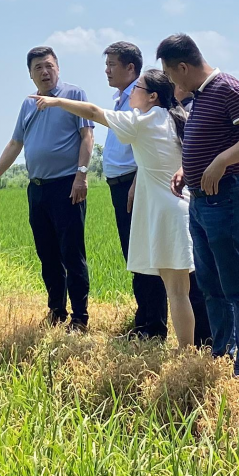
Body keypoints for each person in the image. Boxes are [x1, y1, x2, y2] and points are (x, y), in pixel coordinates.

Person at [33, 70, 196, 347]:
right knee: (181, 290)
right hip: (180, 210)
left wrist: (57, 103)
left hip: (166, 215)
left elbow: (95, 112)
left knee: (177, 292)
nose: (132, 92)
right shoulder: (173, 119)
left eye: (138, 88)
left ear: (152, 96)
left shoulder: (143, 121)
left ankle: (186, 354)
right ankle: (189, 352)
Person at [158, 33, 239, 375]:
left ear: (182, 66)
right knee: (210, 285)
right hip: (200, 201)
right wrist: (184, 170)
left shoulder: (227, 87)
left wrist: (222, 161)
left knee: (237, 288)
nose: (170, 81)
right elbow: (206, 141)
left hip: (227, 199)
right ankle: (222, 354)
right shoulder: (201, 96)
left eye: (170, 73)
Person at [0, 46, 94, 329]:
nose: (45, 72)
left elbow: (87, 135)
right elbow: (15, 144)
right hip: (38, 189)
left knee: (72, 252)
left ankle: (80, 317)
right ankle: (57, 311)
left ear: (58, 67)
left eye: (49, 66)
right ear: (30, 75)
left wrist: (82, 175)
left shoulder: (74, 95)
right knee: (47, 254)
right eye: (38, 68)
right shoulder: (28, 104)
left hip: (67, 185)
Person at [100, 41, 170, 339]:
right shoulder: (121, 98)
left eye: (112, 64)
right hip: (120, 185)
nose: (107, 70)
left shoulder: (140, 100)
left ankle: (153, 328)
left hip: (134, 183)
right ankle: (144, 321)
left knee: (147, 257)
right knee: (135, 255)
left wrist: (138, 180)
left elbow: (153, 148)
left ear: (131, 67)